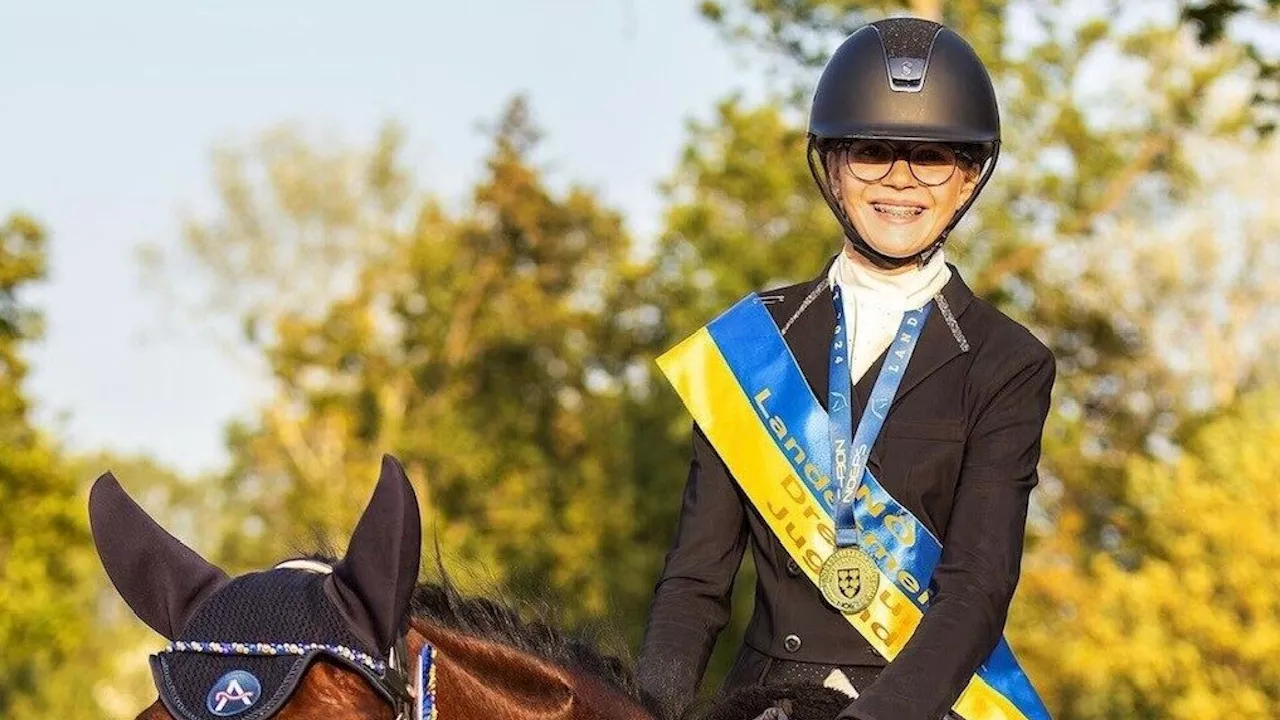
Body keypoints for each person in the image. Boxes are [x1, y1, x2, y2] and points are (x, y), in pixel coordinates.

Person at [637, 17, 1055, 720]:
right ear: (831, 166)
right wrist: (644, 709)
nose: (900, 180)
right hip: (761, 703)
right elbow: (694, 584)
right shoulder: (755, 342)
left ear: (968, 178)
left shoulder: (1008, 363)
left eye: (931, 157)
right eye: (871, 152)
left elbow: (976, 592)